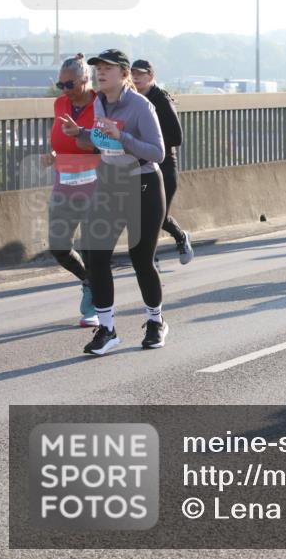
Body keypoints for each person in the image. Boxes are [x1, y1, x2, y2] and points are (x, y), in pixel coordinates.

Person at [60, 49, 167, 355]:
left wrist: (122, 138)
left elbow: (157, 152)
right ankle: (107, 329)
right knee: (94, 254)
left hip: (143, 183)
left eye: (107, 68)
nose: (99, 73)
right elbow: (102, 139)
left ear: (124, 74)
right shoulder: (98, 101)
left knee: (141, 258)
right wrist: (80, 132)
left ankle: (156, 322)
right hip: (111, 182)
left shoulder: (141, 106)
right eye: (97, 69)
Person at [45, 53, 100, 327]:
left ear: (86, 80)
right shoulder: (60, 104)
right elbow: (58, 138)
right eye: (61, 85)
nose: (65, 90)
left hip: (96, 182)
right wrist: (53, 153)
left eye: (70, 84)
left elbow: (108, 144)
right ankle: (89, 280)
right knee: (58, 246)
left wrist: (81, 133)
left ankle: (96, 304)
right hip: (64, 181)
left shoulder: (102, 104)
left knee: (91, 245)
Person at [130, 59, 194, 266]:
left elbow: (177, 137)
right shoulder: (130, 100)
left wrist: (150, 144)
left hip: (164, 165)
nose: (136, 77)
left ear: (151, 76)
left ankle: (180, 238)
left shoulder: (161, 99)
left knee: (157, 215)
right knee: (140, 214)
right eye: (133, 73)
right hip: (139, 165)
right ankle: (152, 258)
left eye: (141, 74)